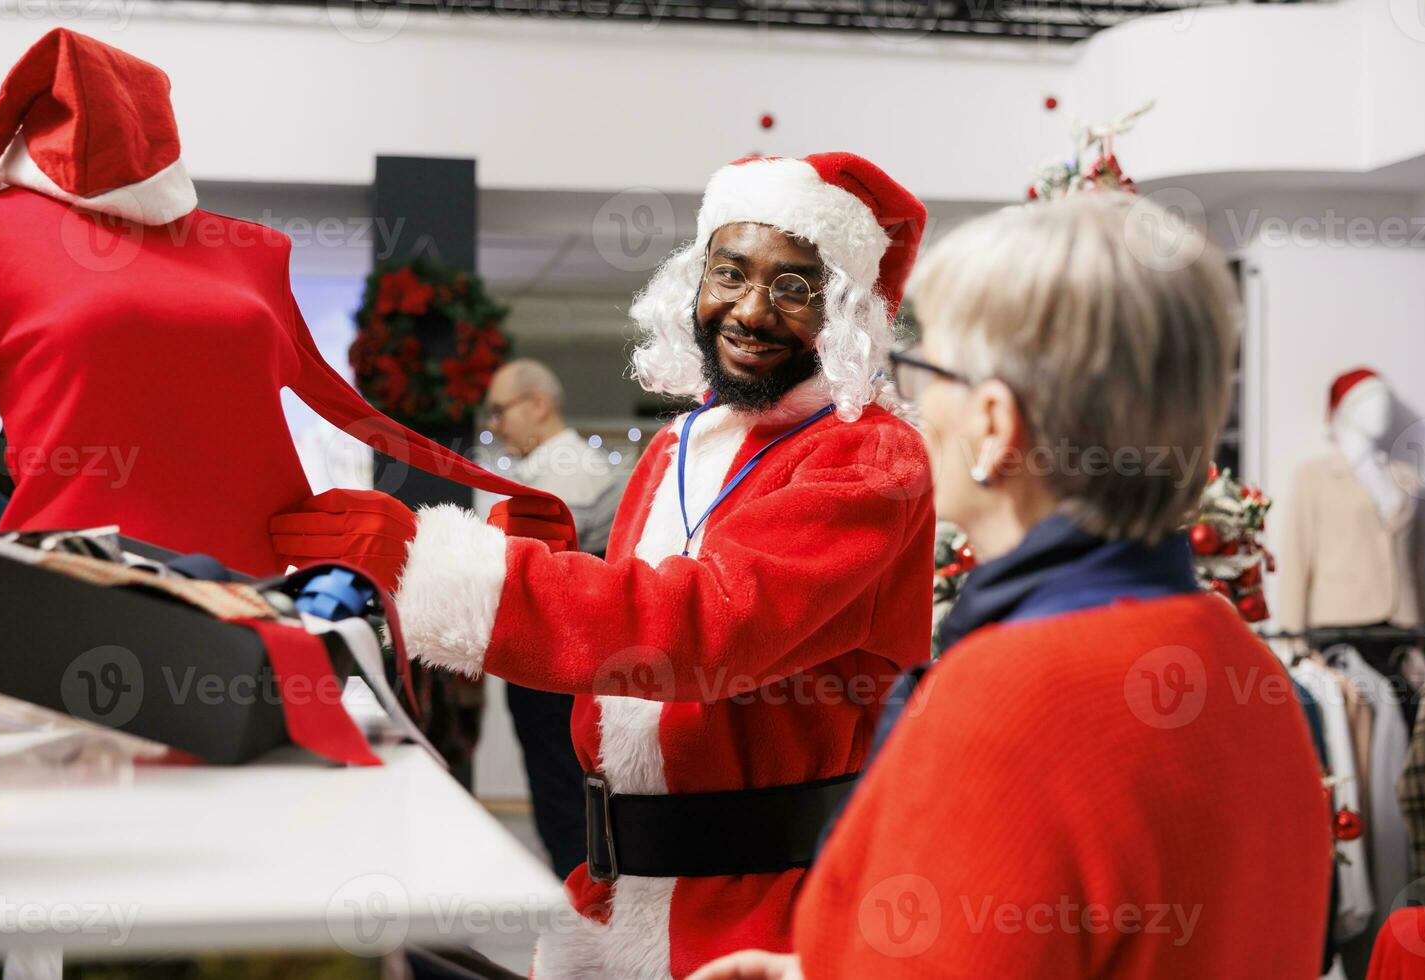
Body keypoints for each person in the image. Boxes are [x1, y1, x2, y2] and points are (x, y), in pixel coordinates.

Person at [271, 152, 933, 978]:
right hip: (610, 892)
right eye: (731, 271)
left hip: (760, 914)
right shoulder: (677, 443)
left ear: (842, 313)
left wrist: (439, 566)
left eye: (794, 287)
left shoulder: (871, 455)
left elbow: (703, 629)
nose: (752, 310)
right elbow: (628, 643)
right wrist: (540, 560)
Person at [689, 193, 1333, 979]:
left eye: (927, 371)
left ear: (994, 425)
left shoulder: (1012, 699)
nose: (916, 404)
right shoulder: (1240, 665)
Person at [484, 358, 620, 878]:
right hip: (552, 668)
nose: (495, 425)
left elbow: (545, 581)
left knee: (563, 801)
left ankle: (584, 918)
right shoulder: (553, 471)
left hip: (557, 672)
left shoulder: (569, 475)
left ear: (536, 404)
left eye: (501, 411)